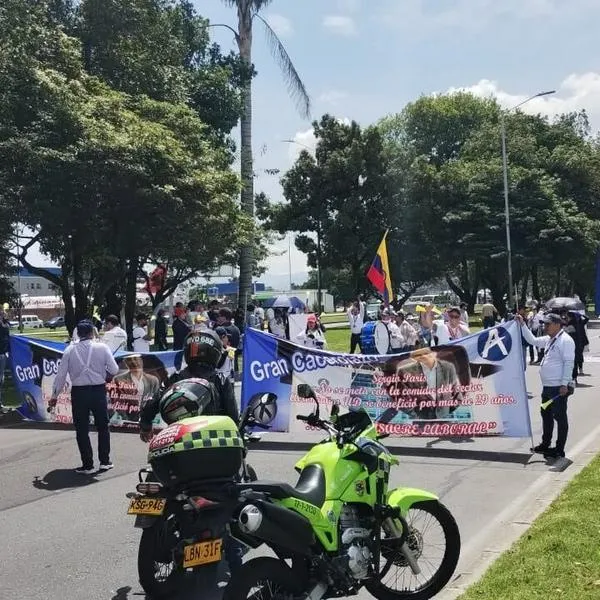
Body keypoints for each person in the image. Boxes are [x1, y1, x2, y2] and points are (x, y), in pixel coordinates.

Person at [138, 328, 242, 573]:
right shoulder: (220, 379)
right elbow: (233, 419)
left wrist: (144, 426)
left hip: (176, 455)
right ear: (216, 353)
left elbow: (152, 403)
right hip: (212, 454)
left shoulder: (177, 378)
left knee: (160, 488)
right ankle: (236, 560)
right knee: (234, 501)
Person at [49, 320, 119, 474]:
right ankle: (105, 461)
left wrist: (55, 395)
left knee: (82, 429)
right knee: (103, 426)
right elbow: (114, 368)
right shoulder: (102, 347)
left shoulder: (69, 350)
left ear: (78, 333)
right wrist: (106, 376)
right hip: (98, 390)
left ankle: (87, 464)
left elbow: (61, 376)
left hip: (79, 393)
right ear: (91, 333)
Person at [518, 313, 575, 459]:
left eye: (548, 324)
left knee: (560, 417)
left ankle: (559, 448)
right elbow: (533, 340)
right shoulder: (550, 339)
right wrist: (523, 324)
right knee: (546, 415)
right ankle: (545, 443)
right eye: (544, 324)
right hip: (548, 387)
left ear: (557, 324)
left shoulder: (565, 340)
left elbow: (569, 363)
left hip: (558, 387)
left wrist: (564, 384)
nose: (545, 327)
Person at [0, 309, 10, 413]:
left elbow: (7, 327)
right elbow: (4, 328)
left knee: (1, 380)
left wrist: (5, 319)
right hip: (0, 354)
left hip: (3, 354)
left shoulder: (4, 323)